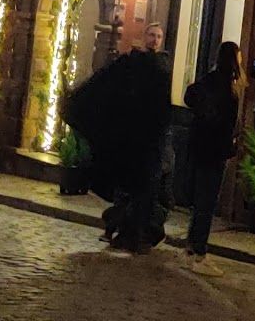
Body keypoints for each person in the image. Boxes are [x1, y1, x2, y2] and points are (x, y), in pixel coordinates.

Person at [65, 38, 171, 253]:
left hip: (133, 146)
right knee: (143, 191)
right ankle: (132, 233)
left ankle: (129, 231)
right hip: (141, 147)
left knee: (138, 191)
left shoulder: (131, 78)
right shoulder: (145, 82)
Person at [184, 41, 243, 261]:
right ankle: (198, 249)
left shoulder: (211, 79)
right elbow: (225, 121)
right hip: (214, 149)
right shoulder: (226, 86)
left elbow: (190, 96)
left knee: (202, 198)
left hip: (203, 146)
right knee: (207, 200)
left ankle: (193, 244)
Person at [142, 23, 175, 216]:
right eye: (152, 35)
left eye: (159, 36)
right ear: (145, 36)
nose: (155, 40)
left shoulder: (164, 63)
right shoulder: (139, 60)